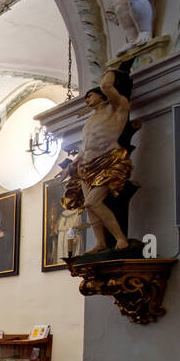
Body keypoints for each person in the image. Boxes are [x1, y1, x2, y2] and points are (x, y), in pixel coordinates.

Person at [61, 67, 138, 253]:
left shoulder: (117, 108)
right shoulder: (90, 120)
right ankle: (101, 242)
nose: (87, 99)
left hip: (109, 160)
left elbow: (107, 86)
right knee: (90, 208)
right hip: (87, 166)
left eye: (90, 96)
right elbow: (85, 146)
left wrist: (112, 69)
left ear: (102, 96)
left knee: (93, 202)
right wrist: (73, 164)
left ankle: (121, 239)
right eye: (86, 97)